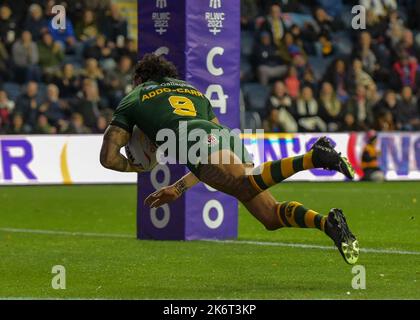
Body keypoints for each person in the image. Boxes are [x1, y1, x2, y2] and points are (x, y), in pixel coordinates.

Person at [100, 54, 359, 265]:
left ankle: (314, 157)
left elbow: (109, 158)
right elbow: (215, 140)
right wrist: (178, 187)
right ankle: (329, 224)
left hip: (191, 138)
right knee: (269, 217)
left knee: (246, 185)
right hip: (222, 136)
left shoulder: (133, 98)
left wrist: (138, 165)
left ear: (138, 79)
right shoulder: (193, 91)